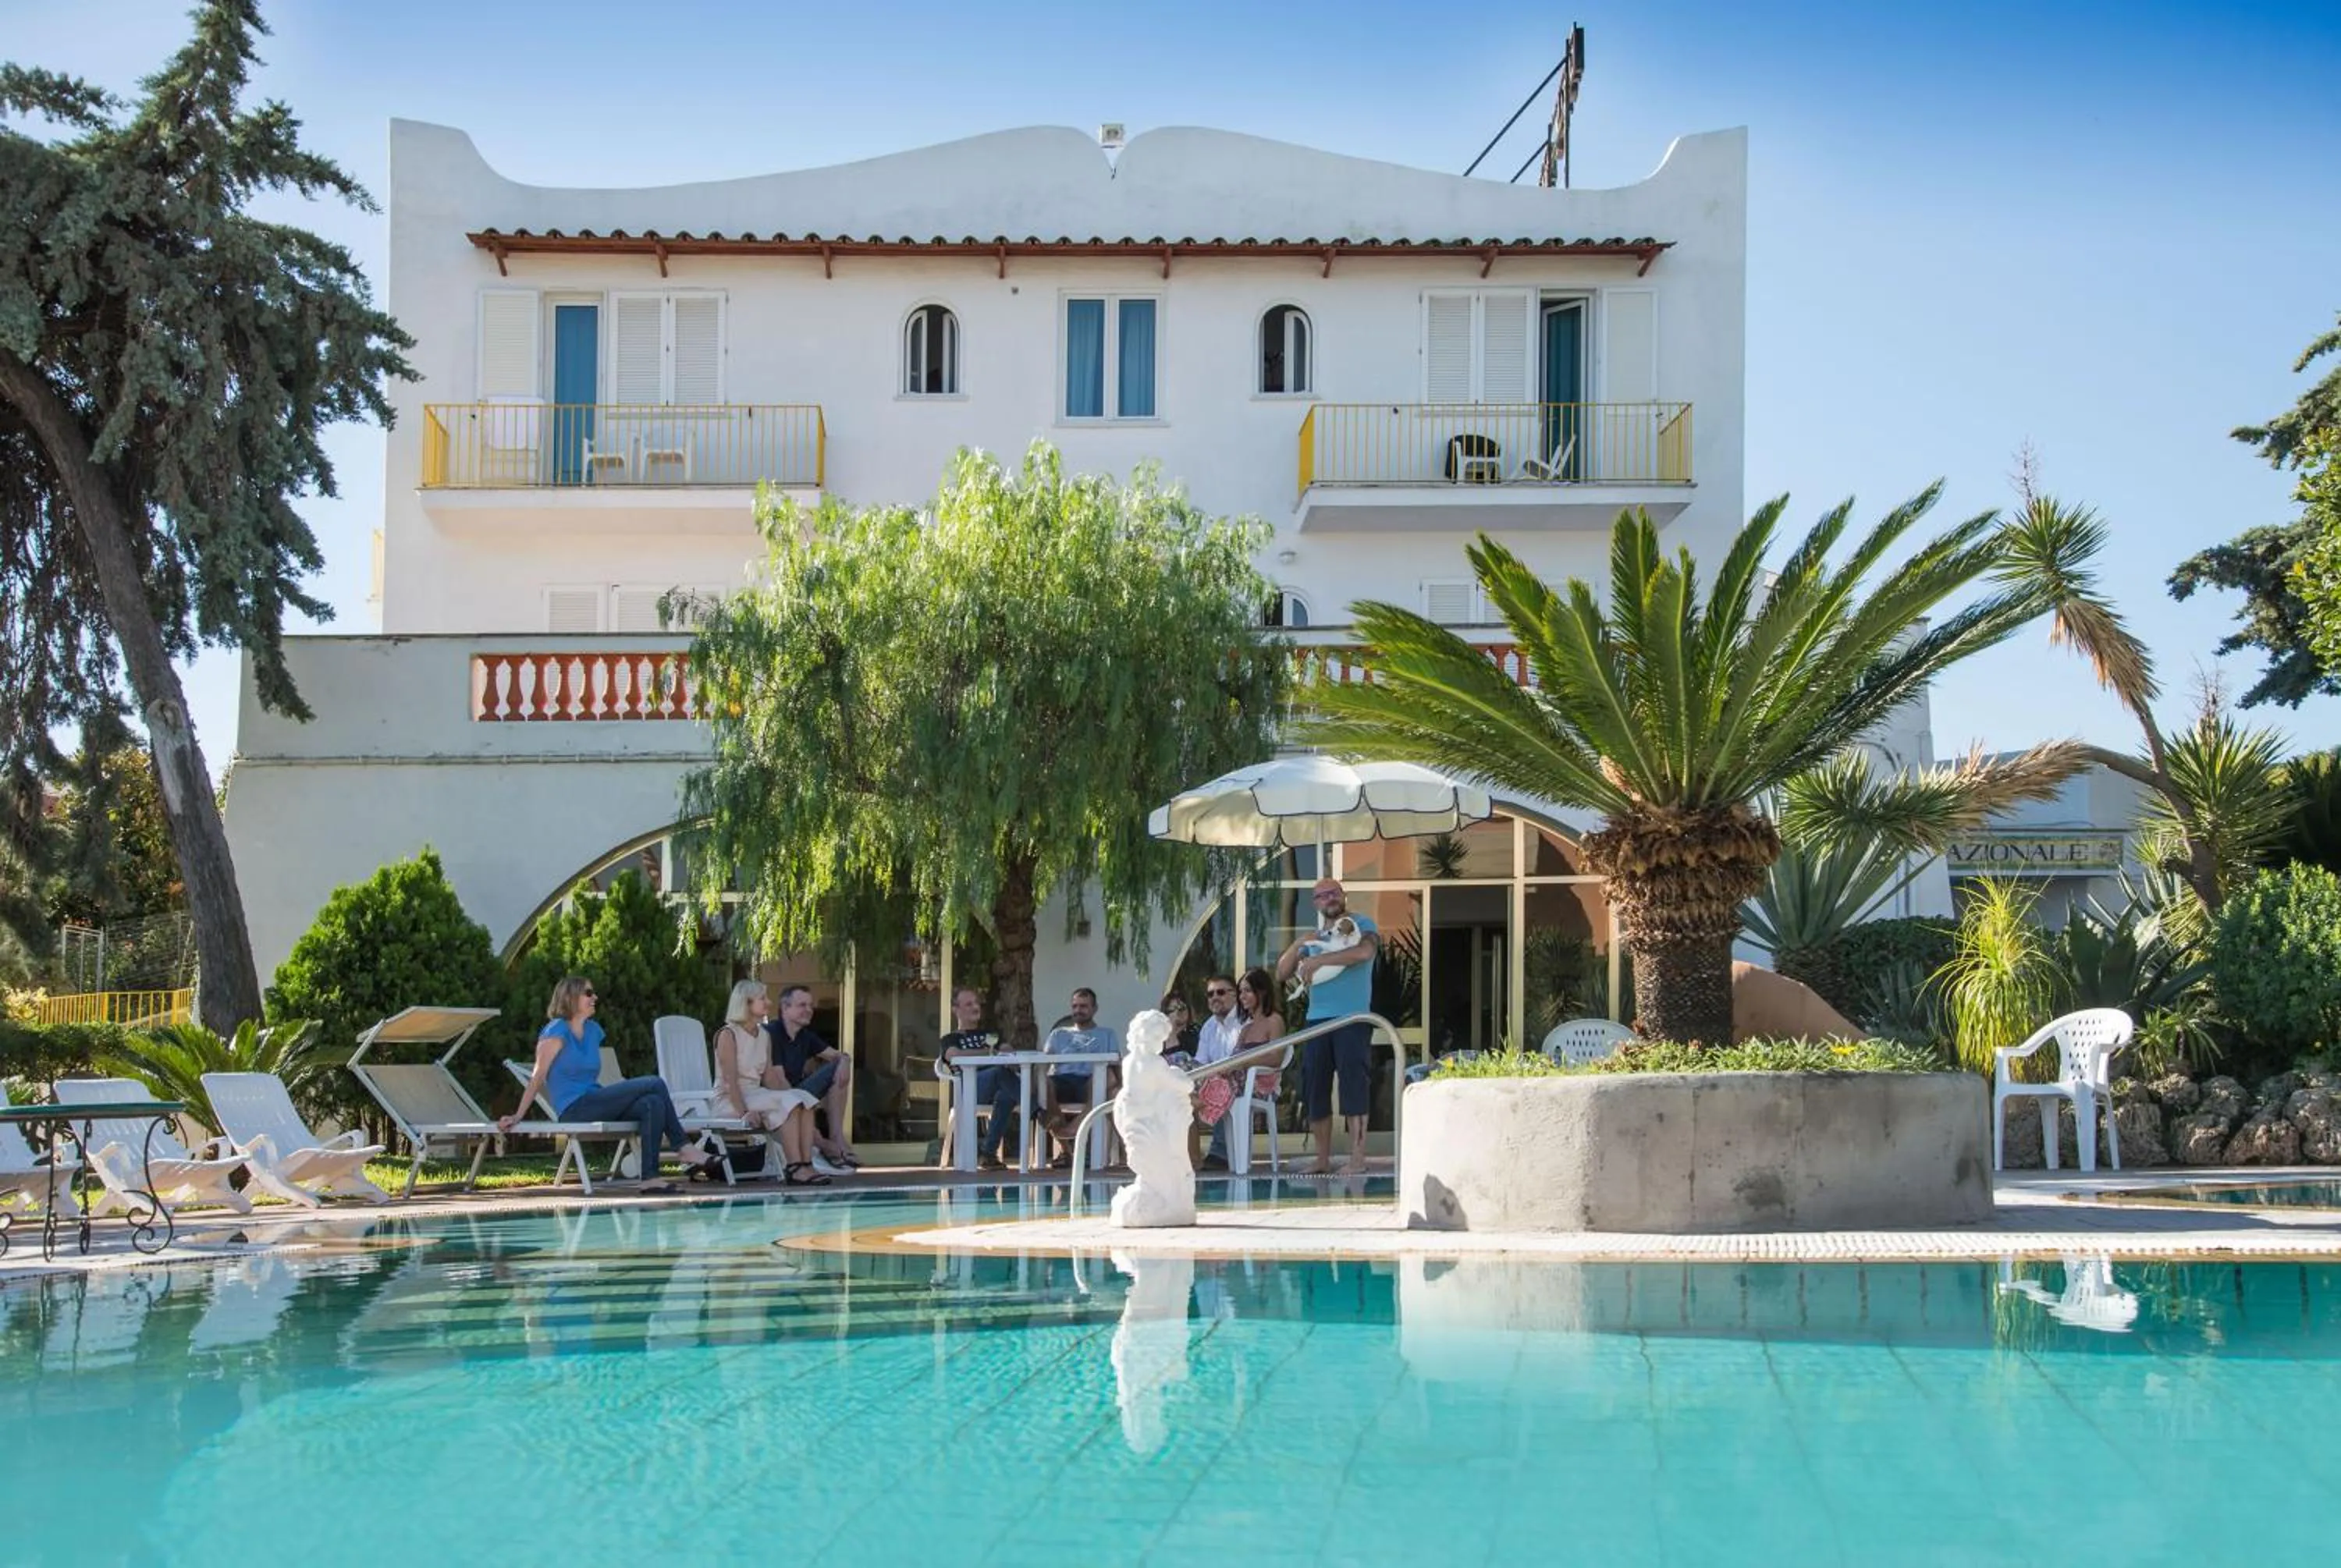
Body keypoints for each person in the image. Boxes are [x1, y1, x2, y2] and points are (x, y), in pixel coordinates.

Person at [501, 974, 717, 1194]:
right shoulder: (556, 1030)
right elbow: (538, 1075)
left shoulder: (593, 1030)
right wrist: (518, 1115)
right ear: (571, 997)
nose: (594, 997)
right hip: (574, 1109)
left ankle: (650, 1178)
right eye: (588, 993)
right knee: (655, 1083)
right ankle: (683, 1146)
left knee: (652, 1103)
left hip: (595, 1100)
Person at [1277, 878, 1379, 1175]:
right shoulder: (1315, 937)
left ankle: (1357, 1159)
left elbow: (1363, 953)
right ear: (1316, 903)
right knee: (1315, 1089)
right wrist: (1300, 944)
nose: (1330, 899)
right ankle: (1322, 1159)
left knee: (1354, 1087)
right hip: (1316, 1021)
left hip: (1352, 1018)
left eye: (1334, 893)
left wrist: (1318, 960)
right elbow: (1282, 972)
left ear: (1343, 895)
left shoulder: (1361, 923)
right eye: (1322, 896)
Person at [711, 978, 828, 1186]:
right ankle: (795, 1167)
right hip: (731, 1100)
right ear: (746, 1003)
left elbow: (769, 1078)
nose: (769, 1003)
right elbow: (730, 1082)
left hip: (757, 1094)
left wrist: (794, 1095)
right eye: (762, 998)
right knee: (790, 1103)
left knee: (805, 1101)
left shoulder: (764, 1036)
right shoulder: (728, 1035)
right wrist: (744, 1113)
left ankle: (807, 1164)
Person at [766, 983, 861, 1169]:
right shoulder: (772, 1033)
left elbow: (837, 1055)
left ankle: (837, 1137)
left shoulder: (805, 1036)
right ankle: (827, 1146)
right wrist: (803, 1108)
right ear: (785, 1008)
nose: (809, 1010)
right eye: (802, 1005)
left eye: (811, 1006)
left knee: (838, 1067)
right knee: (798, 1104)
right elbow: (778, 1083)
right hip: (776, 1097)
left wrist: (845, 1061)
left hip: (796, 1092)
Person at [1193, 969, 1279, 1169]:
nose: (1215, 997)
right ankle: (1190, 1155)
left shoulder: (1260, 1021)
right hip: (1232, 1077)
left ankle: (1219, 1152)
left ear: (1261, 992)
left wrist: (1239, 1064)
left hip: (1254, 1082)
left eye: (1221, 992)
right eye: (1210, 994)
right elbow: (1207, 1061)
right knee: (1181, 1080)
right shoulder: (1213, 1027)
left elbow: (1275, 1057)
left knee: (1217, 1086)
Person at [939, 984, 1021, 1171]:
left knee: (1006, 1095)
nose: (975, 1007)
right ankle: (1038, 1113)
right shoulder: (950, 1038)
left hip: (998, 1086)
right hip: (970, 1090)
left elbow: (1008, 1055)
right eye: (968, 1004)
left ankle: (988, 1153)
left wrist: (1008, 1052)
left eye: (976, 1003)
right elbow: (954, 1056)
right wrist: (991, 1053)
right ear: (956, 1010)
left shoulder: (991, 1035)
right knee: (1000, 1073)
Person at [1042, 986, 1115, 1165]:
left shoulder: (1107, 1034)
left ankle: (1074, 1128)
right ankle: (1066, 1150)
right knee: (1042, 1081)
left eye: (1083, 1006)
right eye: (1075, 1006)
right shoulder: (1058, 1034)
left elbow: (1115, 1064)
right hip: (1062, 1080)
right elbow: (1043, 1061)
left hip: (1090, 1081)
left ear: (1094, 1009)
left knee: (1104, 1075)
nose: (1078, 1011)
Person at [1160, 992, 1200, 1059]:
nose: (1177, 1013)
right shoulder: (1159, 1041)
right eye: (1171, 1010)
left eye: (1181, 1008)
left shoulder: (1195, 1034)